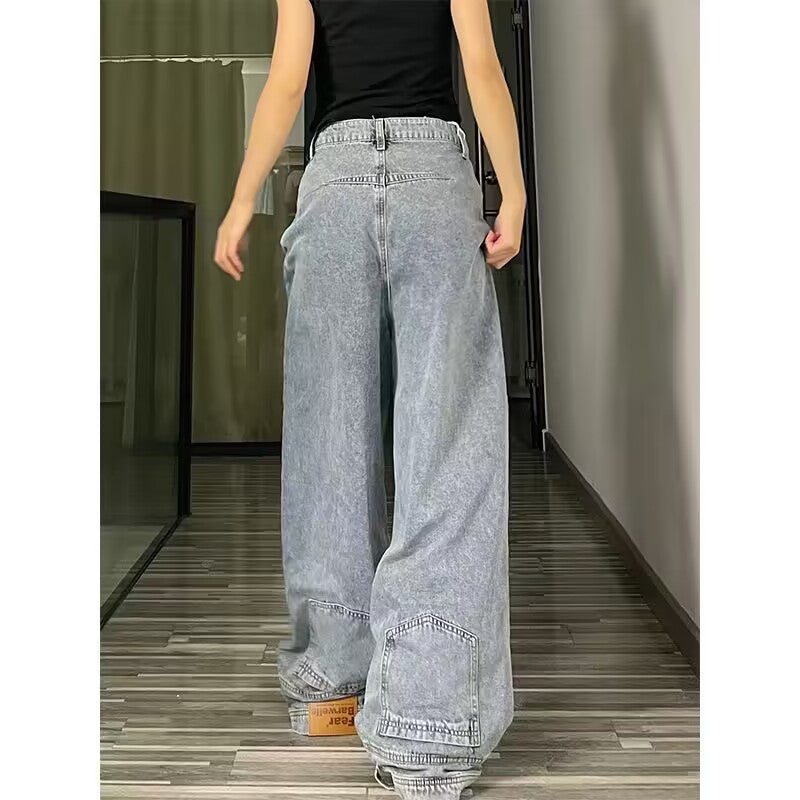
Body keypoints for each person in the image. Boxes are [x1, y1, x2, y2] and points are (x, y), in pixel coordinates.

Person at [215, 1, 525, 797]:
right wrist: (515, 191)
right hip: (433, 176)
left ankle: (335, 679)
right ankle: (429, 729)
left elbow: (289, 80)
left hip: (336, 180)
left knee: (329, 443)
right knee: (445, 447)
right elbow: (481, 65)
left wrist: (243, 199)